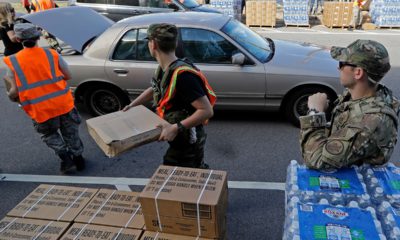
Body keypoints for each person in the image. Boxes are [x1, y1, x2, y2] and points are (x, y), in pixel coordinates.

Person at [123, 23, 216, 169]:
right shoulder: (165, 68)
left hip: (188, 140)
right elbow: (155, 89)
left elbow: (206, 111)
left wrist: (175, 128)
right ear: (175, 43)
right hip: (179, 136)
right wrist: (133, 105)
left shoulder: (183, 75)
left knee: (184, 174)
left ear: (153, 44)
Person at [299, 39, 399, 170]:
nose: (337, 67)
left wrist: (315, 113)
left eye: (342, 64)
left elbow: (317, 160)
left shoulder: (370, 122)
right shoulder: (365, 96)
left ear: (358, 73)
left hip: (352, 186)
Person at [2, 23, 85, 174]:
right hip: (63, 103)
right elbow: (68, 75)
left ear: (18, 39)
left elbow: (14, 91)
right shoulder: (52, 54)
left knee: (49, 134)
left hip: (40, 109)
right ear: (38, 37)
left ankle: (65, 158)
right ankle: (79, 159)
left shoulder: (13, 62)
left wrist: (10, 95)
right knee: (71, 132)